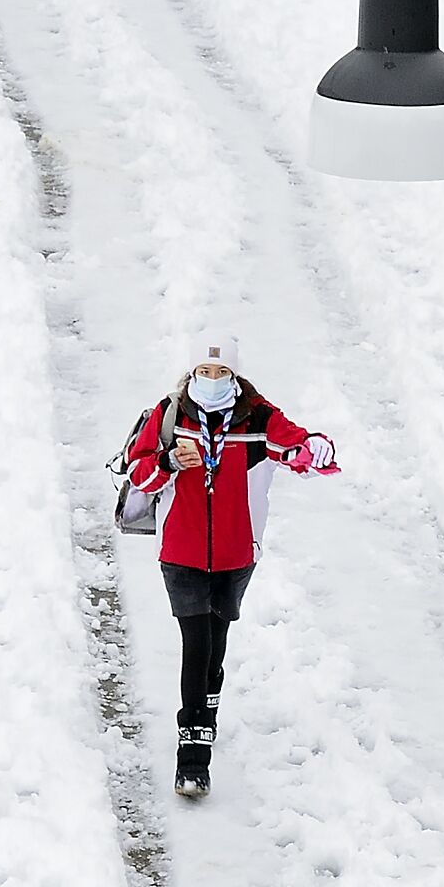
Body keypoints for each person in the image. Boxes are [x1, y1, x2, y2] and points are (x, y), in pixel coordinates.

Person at [126, 332, 337, 799]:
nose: (213, 378)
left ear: (235, 374)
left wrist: (317, 448)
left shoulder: (257, 417)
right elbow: (138, 471)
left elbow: (297, 447)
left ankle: (208, 706)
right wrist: (168, 461)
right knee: (196, 644)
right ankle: (192, 757)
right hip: (180, 551)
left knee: (215, 645)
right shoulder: (169, 414)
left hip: (236, 554)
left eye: (222, 372)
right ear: (192, 372)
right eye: (205, 371)